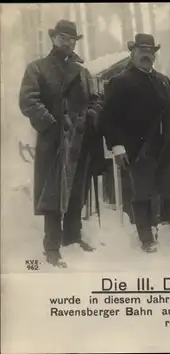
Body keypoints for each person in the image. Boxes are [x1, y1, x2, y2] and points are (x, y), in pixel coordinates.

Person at [19, 20, 104, 268]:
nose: (67, 42)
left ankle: (73, 237)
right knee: (54, 194)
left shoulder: (83, 72)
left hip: (81, 141)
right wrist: (52, 124)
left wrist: (91, 115)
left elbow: (97, 99)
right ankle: (52, 247)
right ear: (53, 38)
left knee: (77, 191)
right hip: (55, 142)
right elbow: (28, 101)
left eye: (71, 39)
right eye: (62, 37)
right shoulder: (38, 68)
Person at [100, 33, 170, 253]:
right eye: (142, 51)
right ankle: (146, 237)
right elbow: (108, 119)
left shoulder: (163, 80)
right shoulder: (119, 82)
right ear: (132, 53)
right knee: (142, 193)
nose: (147, 55)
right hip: (138, 149)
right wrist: (117, 146)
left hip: (166, 147)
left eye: (150, 51)